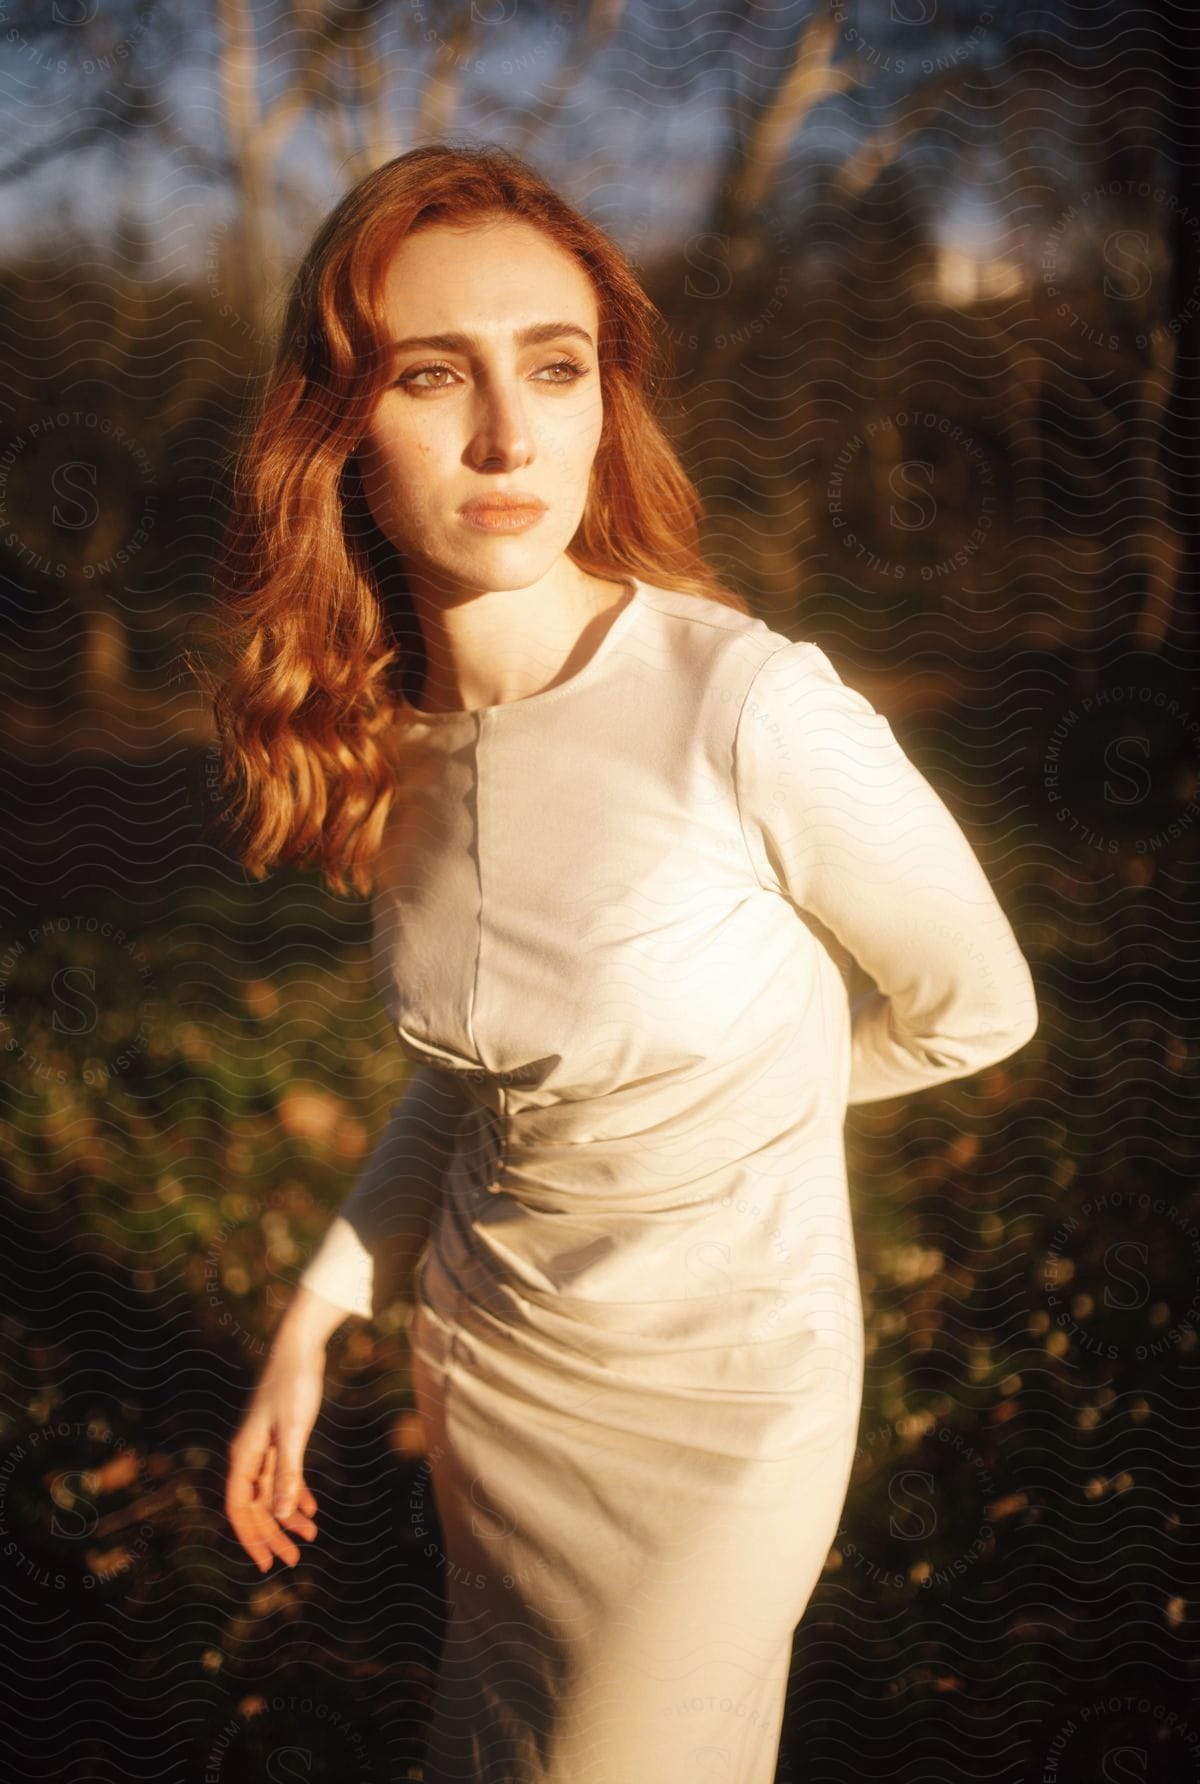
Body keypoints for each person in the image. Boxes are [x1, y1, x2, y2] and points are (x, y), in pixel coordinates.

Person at [212, 140, 1039, 1783]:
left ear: (608, 398)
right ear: (336, 424)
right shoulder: (396, 744)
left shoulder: (748, 706)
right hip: (491, 1372)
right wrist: (315, 1320)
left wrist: (741, 1105)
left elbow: (978, 1009)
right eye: (434, 375)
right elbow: (475, 1090)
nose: (511, 437)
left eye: (557, 365)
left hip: (724, 1410)